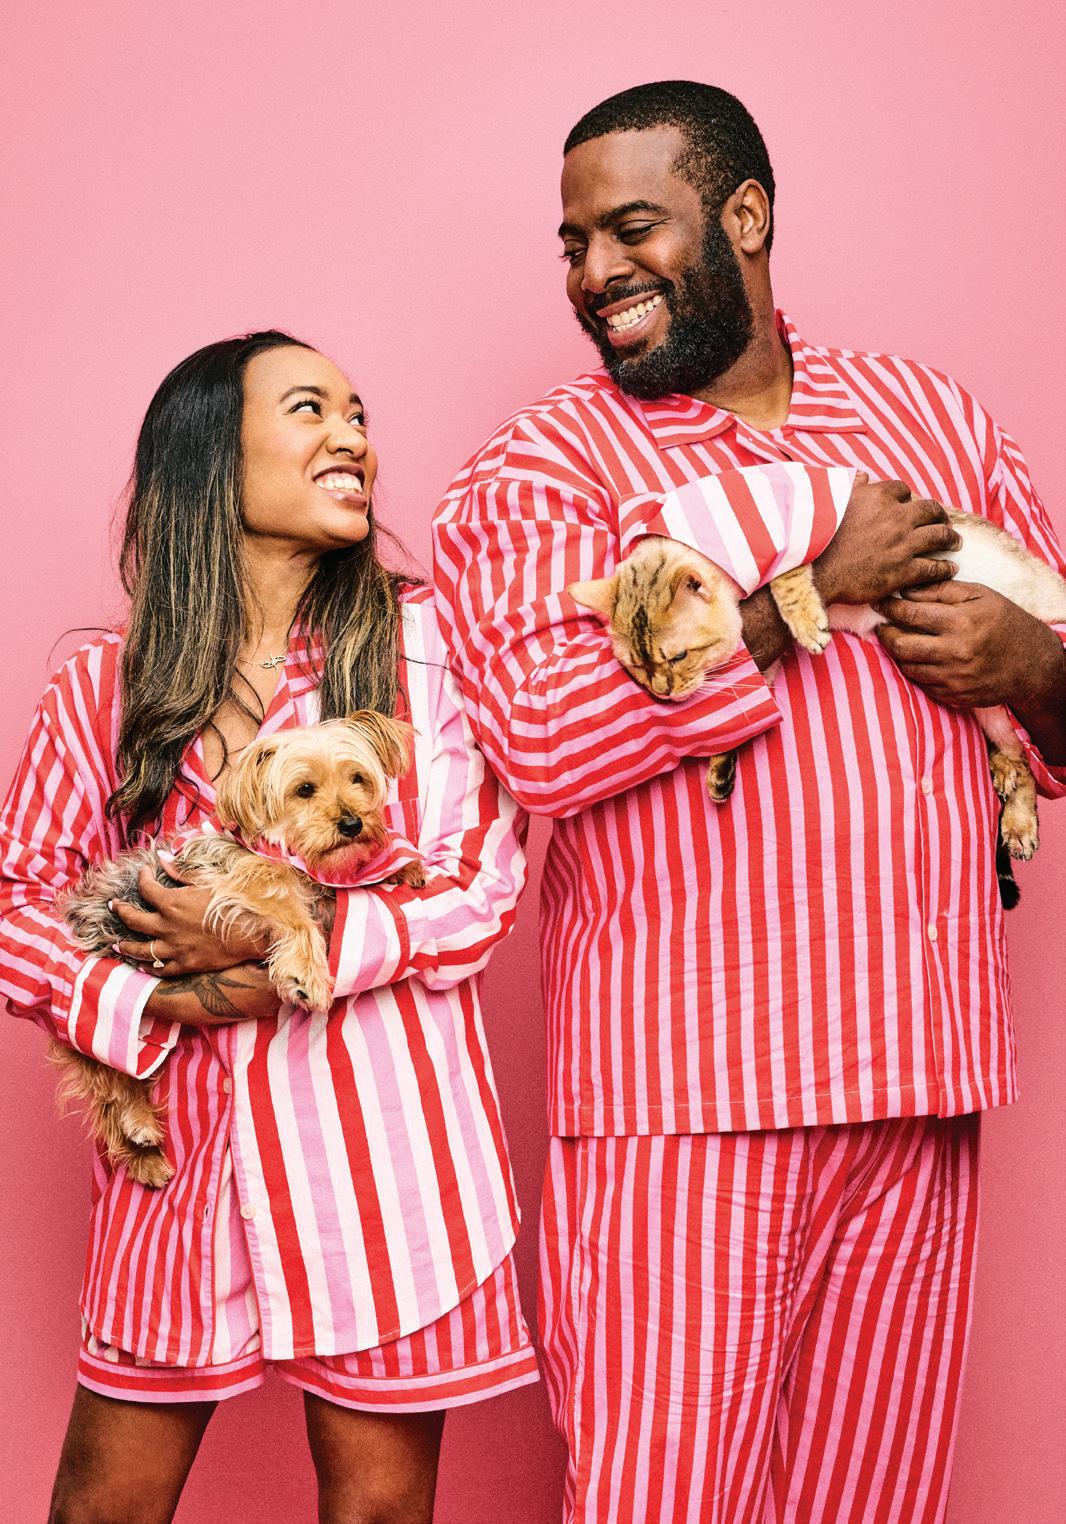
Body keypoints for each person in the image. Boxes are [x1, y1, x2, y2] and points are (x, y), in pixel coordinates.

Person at [432, 82, 1066, 1523]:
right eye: (573, 244)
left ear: (745, 216)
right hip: (682, 1108)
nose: (594, 273)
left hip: (918, 1082)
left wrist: (1032, 667)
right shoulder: (544, 466)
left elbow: (1056, 680)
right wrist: (805, 592)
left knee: (874, 1503)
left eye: (630, 228)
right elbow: (538, 741)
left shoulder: (930, 417)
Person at [0, 330, 537, 1524]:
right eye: (311, 410)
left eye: (359, 413)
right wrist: (157, 998)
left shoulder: (426, 651)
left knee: (377, 1512)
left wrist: (267, 951)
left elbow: (474, 886)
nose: (354, 437)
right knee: (100, 1508)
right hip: (175, 1165)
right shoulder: (105, 687)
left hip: (387, 1162)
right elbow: (18, 903)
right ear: (210, 456)